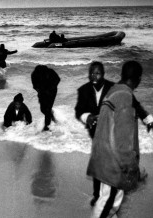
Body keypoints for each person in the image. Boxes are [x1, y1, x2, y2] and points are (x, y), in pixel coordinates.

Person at [75, 61, 153, 206]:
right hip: (97, 133)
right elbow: (78, 111)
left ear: (103, 74)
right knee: (101, 164)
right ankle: (99, 196)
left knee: (107, 165)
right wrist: (87, 117)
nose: (94, 76)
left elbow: (133, 103)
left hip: (113, 132)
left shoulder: (113, 88)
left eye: (97, 73)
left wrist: (147, 118)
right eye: (91, 73)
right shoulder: (83, 90)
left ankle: (106, 196)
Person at [31, 65, 60, 131]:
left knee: (47, 109)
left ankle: (47, 127)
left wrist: (51, 88)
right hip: (41, 91)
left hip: (52, 91)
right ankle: (52, 117)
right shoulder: (34, 74)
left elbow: (58, 79)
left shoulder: (50, 71)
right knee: (43, 109)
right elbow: (34, 86)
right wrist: (40, 91)